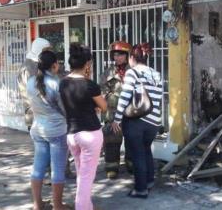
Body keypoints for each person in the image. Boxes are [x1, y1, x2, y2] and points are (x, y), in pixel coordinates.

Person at [111, 43, 163, 199]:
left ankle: (140, 189)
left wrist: (117, 119)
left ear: (132, 58)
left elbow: (125, 96)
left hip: (136, 122)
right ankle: (149, 180)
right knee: (146, 149)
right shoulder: (156, 73)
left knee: (137, 154)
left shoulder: (132, 73)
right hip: (153, 122)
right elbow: (159, 98)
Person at [59, 44, 107, 210]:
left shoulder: (63, 83)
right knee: (87, 177)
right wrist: (97, 106)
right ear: (87, 64)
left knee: (82, 173)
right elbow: (104, 106)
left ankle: (87, 206)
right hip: (90, 134)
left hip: (72, 134)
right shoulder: (90, 85)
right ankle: (82, 207)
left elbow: (72, 104)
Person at [27, 51, 69, 210]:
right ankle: (57, 206)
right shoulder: (57, 83)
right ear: (54, 65)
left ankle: (37, 204)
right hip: (57, 131)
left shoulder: (31, 82)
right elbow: (65, 109)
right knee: (57, 169)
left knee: (38, 167)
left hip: (38, 130)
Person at [100, 41, 133, 179]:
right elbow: (103, 92)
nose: (117, 57)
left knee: (132, 141)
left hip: (131, 113)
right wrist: (116, 98)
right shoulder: (107, 73)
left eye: (120, 55)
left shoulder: (134, 72)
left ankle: (131, 164)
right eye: (115, 55)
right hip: (113, 114)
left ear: (127, 55)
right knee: (112, 142)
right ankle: (112, 167)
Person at [17, 38, 52, 131]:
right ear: (39, 50)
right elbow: (35, 90)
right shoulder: (31, 67)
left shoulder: (33, 63)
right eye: (46, 50)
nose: (49, 53)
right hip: (36, 113)